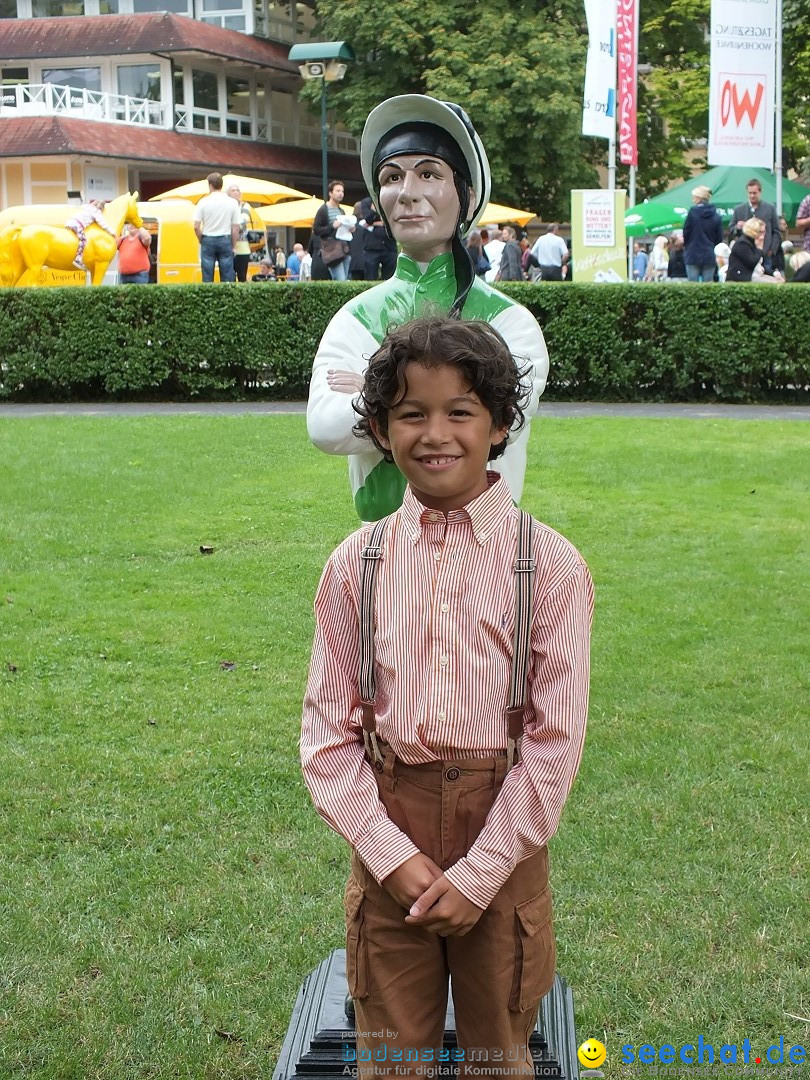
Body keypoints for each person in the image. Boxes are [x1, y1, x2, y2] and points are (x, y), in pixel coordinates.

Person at [301, 314, 593, 1080]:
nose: (436, 434)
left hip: (503, 833)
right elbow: (328, 739)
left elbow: (554, 743)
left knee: (499, 1053)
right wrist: (390, 857)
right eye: (410, 413)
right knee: (390, 1058)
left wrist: (480, 871)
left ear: (500, 426)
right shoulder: (354, 566)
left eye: (460, 411)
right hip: (389, 828)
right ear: (379, 428)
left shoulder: (550, 565)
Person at [307, 94, 549, 522]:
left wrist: (372, 386)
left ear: (466, 196)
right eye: (392, 176)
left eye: (429, 173)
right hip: (382, 548)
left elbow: (497, 424)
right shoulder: (355, 316)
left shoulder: (511, 322)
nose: (406, 193)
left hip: (487, 549)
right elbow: (325, 428)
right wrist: (453, 400)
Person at [193, 172, 240, 283]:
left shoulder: (203, 202)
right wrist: (233, 244)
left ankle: (208, 298)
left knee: (207, 275)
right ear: (221, 185)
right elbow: (236, 227)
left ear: (210, 185)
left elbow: (196, 226)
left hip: (208, 239)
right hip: (225, 239)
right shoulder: (232, 203)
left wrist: (201, 239)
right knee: (227, 275)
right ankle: (226, 297)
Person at [730, 178, 780, 274]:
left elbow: (776, 231)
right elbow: (731, 230)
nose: (752, 196)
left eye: (754, 193)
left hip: (765, 253)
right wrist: (738, 227)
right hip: (745, 254)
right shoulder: (739, 209)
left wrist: (772, 250)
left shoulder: (770, 208)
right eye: (750, 193)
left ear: (760, 192)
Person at [313, 181, 355, 281]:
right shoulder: (323, 210)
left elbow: (342, 229)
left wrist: (350, 228)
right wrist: (332, 226)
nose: (341, 193)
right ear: (330, 193)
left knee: (344, 280)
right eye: (337, 191)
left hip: (344, 249)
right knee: (341, 280)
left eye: (342, 191)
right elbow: (316, 229)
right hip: (332, 250)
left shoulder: (341, 211)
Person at [683, 185, 723, 282]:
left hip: (693, 253)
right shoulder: (716, 215)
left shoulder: (692, 213)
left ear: (699, 198)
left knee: (692, 288)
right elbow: (719, 238)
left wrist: (688, 245)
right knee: (707, 287)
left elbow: (686, 232)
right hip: (709, 253)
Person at [65, 199, 115, 271]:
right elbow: (103, 225)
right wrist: (112, 232)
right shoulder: (96, 213)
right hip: (78, 224)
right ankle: (78, 258)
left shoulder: (87, 207)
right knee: (83, 240)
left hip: (70, 222)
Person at [359, 195, 399, 281]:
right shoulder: (366, 202)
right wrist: (374, 209)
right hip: (372, 247)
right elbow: (368, 219)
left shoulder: (391, 199)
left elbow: (393, 219)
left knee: (390, 279)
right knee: (370, 278)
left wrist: (376, 223)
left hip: (389, 245)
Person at [726, 218, 765, 282]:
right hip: (740, 278)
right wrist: (759, 248)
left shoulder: (754, 242)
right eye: (760, 232)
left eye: (764, 232)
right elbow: (752, 262)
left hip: (753, 275)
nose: (763, 235)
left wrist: (774, 273)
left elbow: (762, 264)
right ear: (753, 231)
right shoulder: (743, 243)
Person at [228, 183, 252, 282]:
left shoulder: (245, 206)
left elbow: (242, 223)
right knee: (229, 276)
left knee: (242, 275)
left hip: (242, 248)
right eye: (233, 190)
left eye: (237, 190)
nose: (236, 192)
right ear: (228, 194)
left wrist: (232, 226)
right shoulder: (226, 206)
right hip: (228, 247)